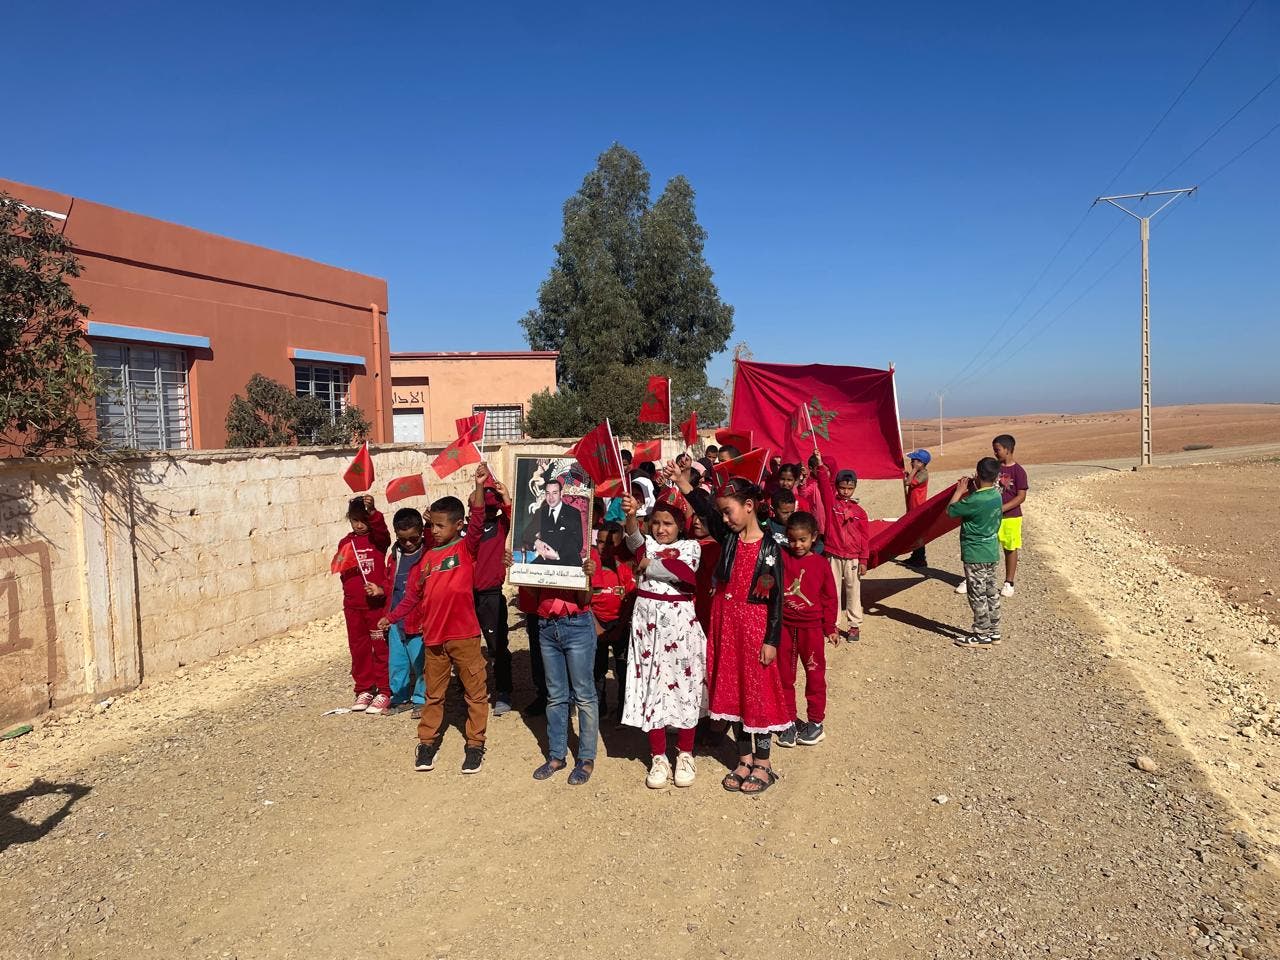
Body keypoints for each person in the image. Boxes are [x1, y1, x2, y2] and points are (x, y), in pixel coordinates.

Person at [673, 465, 787, 796]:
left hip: (755, 631)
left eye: (729, 511)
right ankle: (744, 757)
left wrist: (771, 639)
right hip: (727, 627)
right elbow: (706, 511)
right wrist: (685, 486)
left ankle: (764, 763)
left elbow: (776, 599)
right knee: (734, 693)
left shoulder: (771, 547)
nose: (725, 519)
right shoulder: (730, 540)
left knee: (759, 695)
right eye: (723, 513)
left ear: (749, 506)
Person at [383, 477, 490, 774]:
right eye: (433, 526)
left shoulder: (466, 550)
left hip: (464, 636)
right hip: (434, 639)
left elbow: (479, 519)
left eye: (441, 526)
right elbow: (412, 598)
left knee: (475, 693)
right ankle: (427, 742)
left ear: (458, 526)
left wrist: (480, 486)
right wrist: (390, 617)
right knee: (434, 695)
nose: (435, 531)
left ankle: (475, 744)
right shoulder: (428, 559)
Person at [621, 493, 707, 789]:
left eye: (668, 523)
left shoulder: (690, 547)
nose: (661, 529)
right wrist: (631, 514)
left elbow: (683, 574)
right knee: (651, 686)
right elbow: (633, 540)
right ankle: (658, 755)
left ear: (679, 526)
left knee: (685, 686)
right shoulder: (649, 544)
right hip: (647, 627)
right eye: (655, 523)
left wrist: (648, 564)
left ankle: (685, 752)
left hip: (679, 626)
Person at [516, 559, 600, 786]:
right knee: (555, 694)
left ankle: (586, 757)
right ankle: (556, 755)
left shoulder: (585, 552)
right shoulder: (539, 552)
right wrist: (517, 568)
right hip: (546, 625)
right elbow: (534, 593)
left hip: (577, 625)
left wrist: (588, 577)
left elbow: (586, 599)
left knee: (584, 694)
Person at [774, 511, 838, 748]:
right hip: (785, 627)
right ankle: (788, 720)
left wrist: (830, 627)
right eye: (792, 539)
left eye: (802, 539)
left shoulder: (821, 564)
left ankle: (815, 722)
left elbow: (830, 597)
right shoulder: (781, 557)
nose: (797, 545)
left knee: (814, 676)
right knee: (784, 676)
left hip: (811, 630)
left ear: (814, 537)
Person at [338, 496, 392, 715]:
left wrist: (373, 513)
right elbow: (343, 570)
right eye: (355, 520)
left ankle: (385, 689)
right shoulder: (345, 543)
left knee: (381, 647)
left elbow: (383, 532)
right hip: (354, 607)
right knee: (359, 649)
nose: (359, 525)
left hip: (375, 606)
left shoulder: (378, 540)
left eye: (363, 520)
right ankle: (364, 688)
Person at [471, 464, 515, 716]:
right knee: (467, 647)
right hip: (466, 596)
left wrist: (506, 497)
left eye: (490, 503)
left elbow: (517, 521)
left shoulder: (499, 527)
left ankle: (504, 690)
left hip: (490, 595)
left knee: (497, 646)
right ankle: (472, 690)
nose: (485, 508)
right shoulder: (466, 529)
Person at [947, 458, 1004, 647]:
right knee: (990, 592)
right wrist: (975, 485)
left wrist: (959, 491)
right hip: (991, 552)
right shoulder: (996, 495)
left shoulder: (974, 500)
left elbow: (951, 511)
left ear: (978, 474)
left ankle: (981, 634)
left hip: (975, 554)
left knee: (977, 594)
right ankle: (994, 631)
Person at [815, 455, 870, 641]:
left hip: (853, 557)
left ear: (854, 488)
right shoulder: (832, 506)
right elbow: (823, 486)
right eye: (842, 488)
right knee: (833, 590)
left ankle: (854, 626)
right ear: (837, 487)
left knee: (854, 590)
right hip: (833, 554)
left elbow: (864, 538)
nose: (846, 492)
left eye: (850, 488)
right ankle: (833, 624)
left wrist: (863, 560)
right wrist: (820, 466)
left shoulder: (860, 512)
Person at [385, 507, 432, 718]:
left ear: (421, 532)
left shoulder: (427, 554)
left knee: (420, 663)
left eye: (414, 538)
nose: (409, 543)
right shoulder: (395, 556)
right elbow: (391, 584)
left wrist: (430, 524)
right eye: (403, 539)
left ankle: (421, 699)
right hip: (397, 620)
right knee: (397, 662)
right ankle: (400, 697)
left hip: (419, 620)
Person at [590, 522, 636, 720]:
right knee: (596, 670)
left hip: (620, 626)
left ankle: (623, 712)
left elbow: (630, 601)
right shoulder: (590, 569)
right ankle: (598, 709)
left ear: (620, 544)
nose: (604, 547)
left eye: (610, 543)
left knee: (623, 670)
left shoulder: (625, 570)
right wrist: (596, 626)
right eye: (600, 542)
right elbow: (584, 601)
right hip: (595, 626)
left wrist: (620, 627)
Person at [993, 434, 1028, 598]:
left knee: (1010, 548)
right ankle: (982, 579)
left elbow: (1021, 496)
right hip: (991, 516)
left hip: (1011, 517)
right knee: (988, 547)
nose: (995, 453)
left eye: (997, 450)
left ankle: (1009, 582)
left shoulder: (1019, 471)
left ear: (1007, 450)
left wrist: (1002, 508)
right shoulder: (993, 467)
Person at [522, 476, 585, 565]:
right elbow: (526, 534)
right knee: (526, 574)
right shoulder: (541, 512)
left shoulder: (573, 513)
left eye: (554, 493)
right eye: (548, 493)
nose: (551, 497)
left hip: (568, 560)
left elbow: (577, 543)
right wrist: (537, 542)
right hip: (546, 559)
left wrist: (557, 555)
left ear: (561, 493)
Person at [902, 449, 931, 568]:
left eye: (913, 461)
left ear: (921, 463)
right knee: (914, 533)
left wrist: (913, 470)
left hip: (918, 507)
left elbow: (908, 483)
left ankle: (920, 559)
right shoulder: (919, 472)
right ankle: (915, 556)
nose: (911, 462)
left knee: (918, 534)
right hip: (913, 506)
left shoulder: (923, 474)